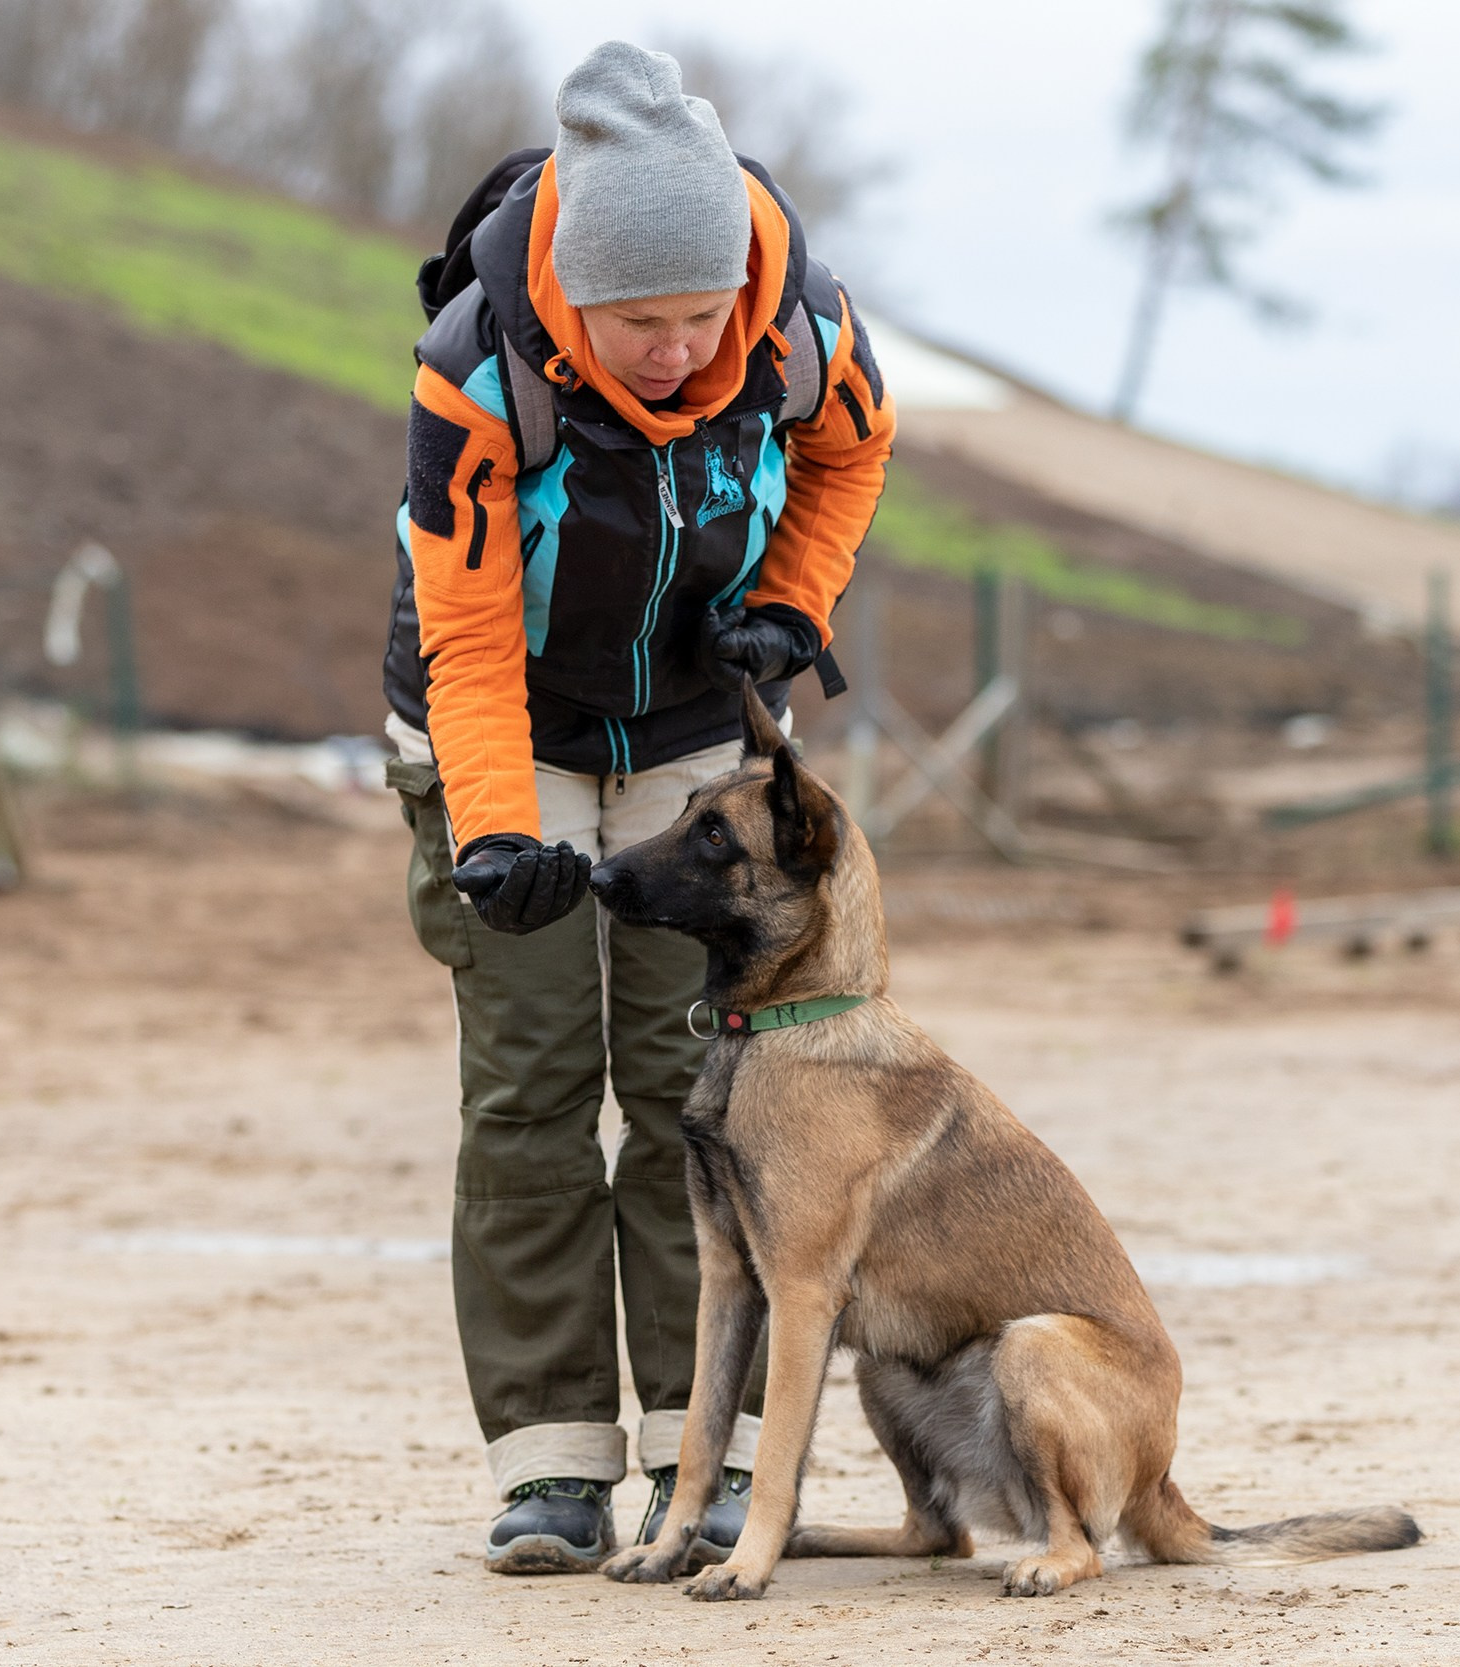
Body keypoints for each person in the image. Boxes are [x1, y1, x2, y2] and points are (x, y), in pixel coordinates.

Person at [380, 39, 894, 1574]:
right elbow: (468, 637)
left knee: (701, 1094)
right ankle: (548, 1467)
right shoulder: (477, 375)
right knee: (534, 1085)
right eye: (641, 322)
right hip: (502, 726)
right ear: (575, 300)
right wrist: (490, 833)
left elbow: (854, 456)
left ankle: (704, 1459)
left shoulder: (797, 328)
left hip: (686, 734)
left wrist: (794, 607)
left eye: (700, 316)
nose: (677, 349)